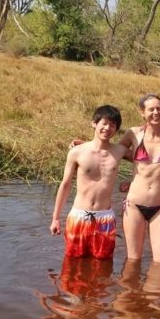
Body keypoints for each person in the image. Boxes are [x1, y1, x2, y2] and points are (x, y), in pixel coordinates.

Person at [50, 105, 130, 259]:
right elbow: (65, 185)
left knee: (103, 264)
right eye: (104, 123)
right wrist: (55, 218)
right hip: (79, 216)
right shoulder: (77, 152)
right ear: (94, 123)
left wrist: (132, 183)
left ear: (116, 129)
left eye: (112, 125)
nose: (107, 128)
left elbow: (146, 162)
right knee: (72, 262)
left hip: (105, 218)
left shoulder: (119, 151)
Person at [118, 93, 160, 265]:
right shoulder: (133, 133)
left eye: (159, 108)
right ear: (142, 112)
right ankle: (132, 293)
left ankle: (153, 292)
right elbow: (113, 151)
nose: (156, 112)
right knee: (133, 261)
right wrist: (86, 145)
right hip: (134, 204)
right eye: (151, 109)